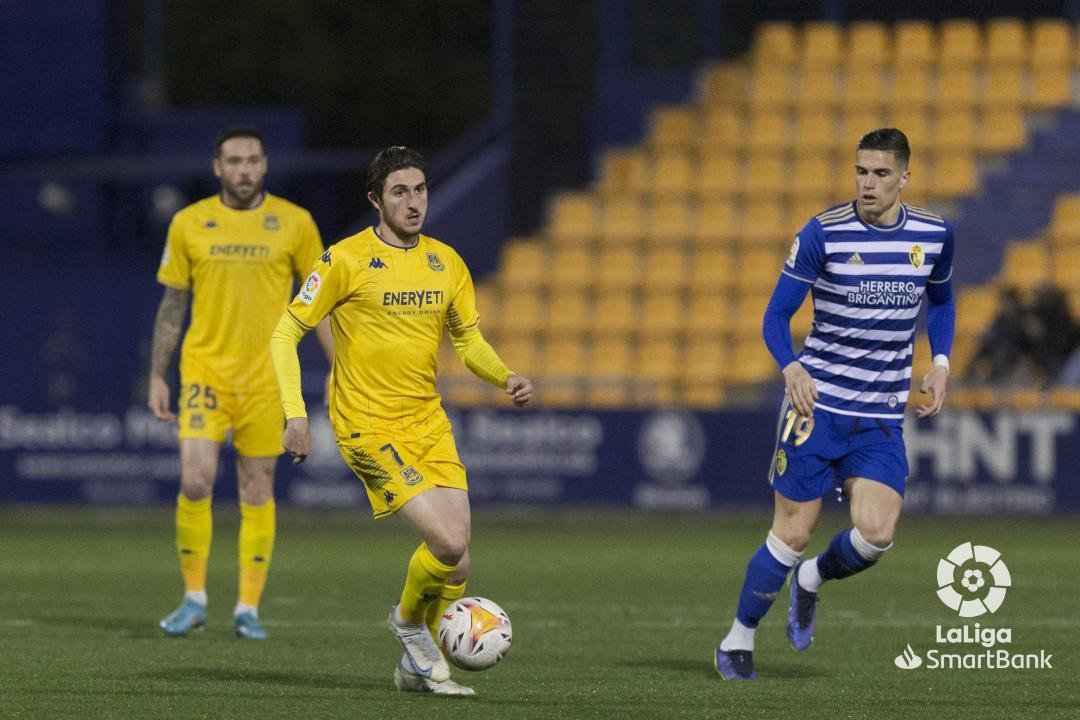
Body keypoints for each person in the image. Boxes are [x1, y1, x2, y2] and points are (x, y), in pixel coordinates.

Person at [269, 145, 533, 696]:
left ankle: (415, 669)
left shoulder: (446, 262)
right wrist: (295, 413)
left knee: (457, 562)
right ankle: (410, 624)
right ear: (375, 201)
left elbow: (467, 339)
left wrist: (503, 375)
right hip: (367, 424)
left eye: (420, 190)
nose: (414, 203)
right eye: (400, 192)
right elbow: (285, 333)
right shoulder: (344, 260)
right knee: (445, 539)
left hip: (428, 422)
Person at [714, 128, 955, 681]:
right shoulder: (822, 233)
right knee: (791, 534)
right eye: (861, 172)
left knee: (877, 533)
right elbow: (776, 316)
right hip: (817, 407)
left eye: (880, 174)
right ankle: (737, 639)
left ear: (904, 178)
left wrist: (939, 365)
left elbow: (941, 302)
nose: (867, 184)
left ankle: (812, 580)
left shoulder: (935, 234)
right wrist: (790, 365)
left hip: (879, 417)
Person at [149, 125, 333, 640]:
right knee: (195, 480)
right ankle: (194, 599)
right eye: (234, 161)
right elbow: (172, 305)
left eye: (253, 160)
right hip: (206, 369)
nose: (244, 169)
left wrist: (341, 369)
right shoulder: (190, 223)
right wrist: (156, 375)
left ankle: (247, 608)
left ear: (265, 165)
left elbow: (319, 306)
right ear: (217, 167)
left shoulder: (295, 224)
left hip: (267, 378)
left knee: (257, 487)